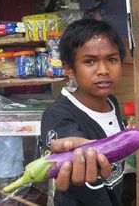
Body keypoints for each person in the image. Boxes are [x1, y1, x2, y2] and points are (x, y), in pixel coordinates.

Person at [41, 19, 127, 206]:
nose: (103, 71)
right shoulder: (58, 115)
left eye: (112, 59)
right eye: (90, 61)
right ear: (70, 69)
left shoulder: (112, 101)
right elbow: (66, 143)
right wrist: (75, 153)